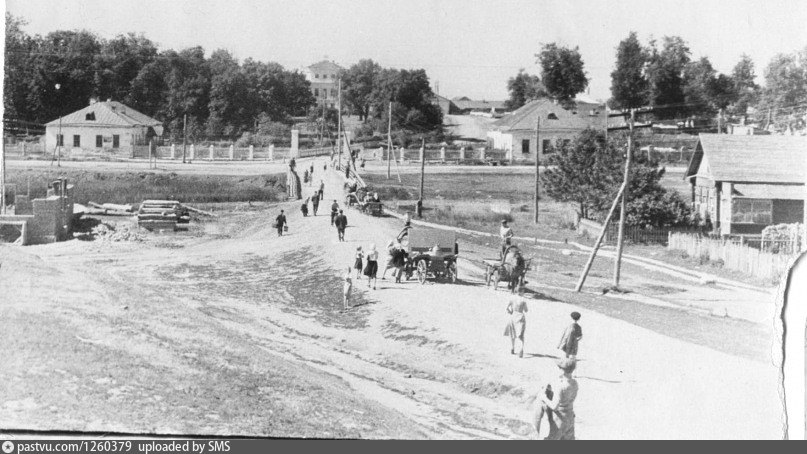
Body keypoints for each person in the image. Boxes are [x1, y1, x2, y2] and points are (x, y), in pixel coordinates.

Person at [533, 359, 579, 440]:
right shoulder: (575, 383)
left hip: (559, 420)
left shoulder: (560, 386)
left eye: (560, 368)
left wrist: (544, 397)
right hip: (570, 417)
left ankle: (534, 435)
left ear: (563, 371)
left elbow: (555, 406)